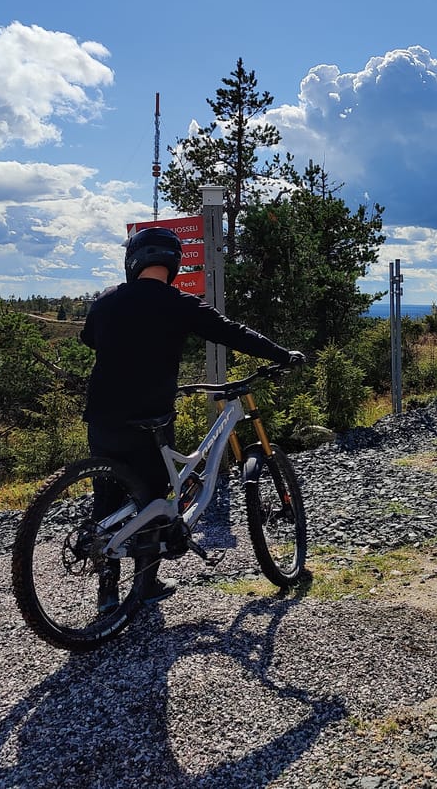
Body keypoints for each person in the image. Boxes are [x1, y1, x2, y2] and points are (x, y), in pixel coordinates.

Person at [81, 226, 304, 612]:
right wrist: (281, 354)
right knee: (151, 496)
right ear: (173, 263)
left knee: (109, 499)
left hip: (102, 417)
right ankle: (146, 584)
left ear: (133, 261)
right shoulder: (180, 303)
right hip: (150, 416)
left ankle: (108, 593)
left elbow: (89, 339)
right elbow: (233, 333)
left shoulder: (105, 301)